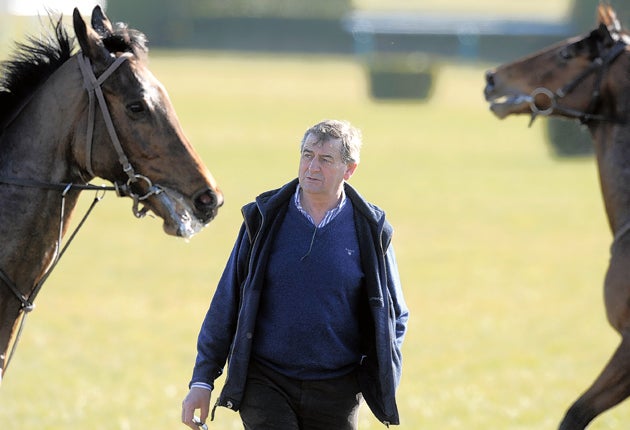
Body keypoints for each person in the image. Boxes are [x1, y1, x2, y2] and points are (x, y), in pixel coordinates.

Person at [181, 119, 409, 429]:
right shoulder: (264, 218)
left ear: (349, 169)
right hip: (265, 381)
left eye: (325, 159)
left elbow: (394, 316)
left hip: (338, 390)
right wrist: (202, 380)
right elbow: (227, 302)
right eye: (307, 155)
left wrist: (374, 372)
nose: (312, 166)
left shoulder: (371, 230)